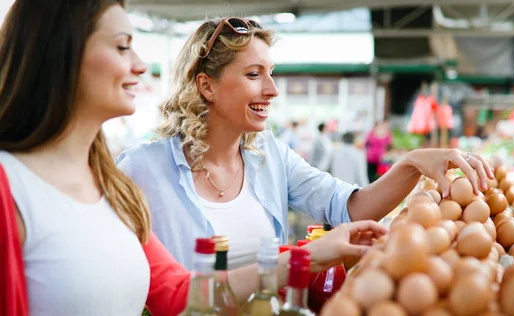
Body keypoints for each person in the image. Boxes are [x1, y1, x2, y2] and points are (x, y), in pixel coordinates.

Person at [0, 2, 390, 315]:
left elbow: (179, 292)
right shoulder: (12, 188)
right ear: (59, 56)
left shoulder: (110, 186)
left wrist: (310, 256)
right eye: (122, 46)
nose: (139, 64)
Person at [117, 17, 494, 272]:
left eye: (271, 74)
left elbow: (350, 209)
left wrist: (412, 163)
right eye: (254, 75)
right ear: (206, 86)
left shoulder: (270, 157)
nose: (272, 89)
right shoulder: (141, 171)